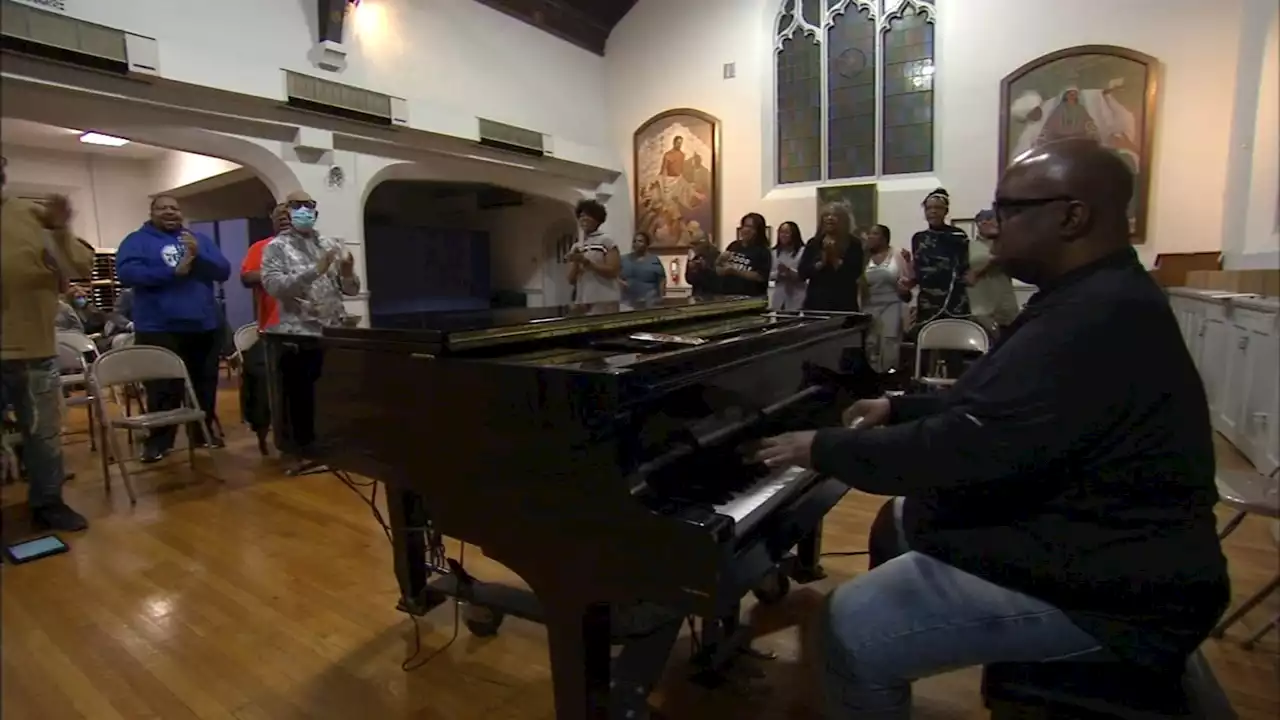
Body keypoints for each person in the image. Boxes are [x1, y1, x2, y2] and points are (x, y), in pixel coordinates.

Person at [753, 139, 1229, 719]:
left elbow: (967, 447)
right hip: (1085, 537)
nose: (991, 228)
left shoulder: (1098, 317)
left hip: (1115, 591)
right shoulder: (1087, 297)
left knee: (847, 626)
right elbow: (1002, 409)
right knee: (901, 518)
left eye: (1006, 211)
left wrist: (823, 446)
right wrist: (900, 410)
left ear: (1072, 216)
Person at [0, 155, 95, 530]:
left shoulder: (31, 215)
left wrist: (60, 230)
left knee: (43, 434)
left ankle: (48, 502)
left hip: (32, 348)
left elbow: (82, 268)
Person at [117, 195, 232, 462]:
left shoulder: (198, 239)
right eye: (163, 208)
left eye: (174, 208)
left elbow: (223, 270)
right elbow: (127, 274)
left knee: (204, 384)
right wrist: (171, 273)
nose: (170, 212)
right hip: (159, 327)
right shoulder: (137, 240)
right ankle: (159, 441)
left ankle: (201, 433)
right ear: (152, 212)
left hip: (203, 326)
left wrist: (198, 254)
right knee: (162, 388)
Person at [261, 190, 361, 471]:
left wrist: (349, 272)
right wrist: (314, 270)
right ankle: (301, 449)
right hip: (298, 332)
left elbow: (351, 290)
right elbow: (274, 286)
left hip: (333, 330)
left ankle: (330, 444)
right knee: (301, 396)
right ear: (287, 211)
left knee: (333, 391)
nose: (303, 210)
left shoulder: (329, 244)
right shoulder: (276, 247)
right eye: (296, 206)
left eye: (309, 205)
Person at [906, 188, 970, 333]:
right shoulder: (919, 238)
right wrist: (908, 282)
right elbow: (918, 270)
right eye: (929, 208)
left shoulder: (957, 236)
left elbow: (965, 267)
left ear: (946, 211)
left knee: (953, 345)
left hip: (953, 302)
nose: (933, 211)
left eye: (938, 208)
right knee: (926, 344)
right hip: (927, 303)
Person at [862, 224, 913, 372]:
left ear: (885, 238)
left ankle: (890, 378)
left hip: (892, 305)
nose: (870, 237)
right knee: (870, 344)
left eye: (875, 234)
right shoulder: (865, 258)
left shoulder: (897, 255)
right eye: (869, 234)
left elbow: (908, 282)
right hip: (869, 305)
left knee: (889, 343)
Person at [799, 204, 865, 312]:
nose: (830, 218)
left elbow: (854, 273)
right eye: (826, 215)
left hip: (843, 304)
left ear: (843, 220)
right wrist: (821, 263)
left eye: (835, 215)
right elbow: (802, 273)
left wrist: (834, 258)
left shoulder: (853, 243)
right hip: (816, 304)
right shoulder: (814, 243)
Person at [967, 208, 1021, 335]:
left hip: (1007, 310)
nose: (997, 224)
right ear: (981, 224)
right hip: (982, 312)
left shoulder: (1006, 245)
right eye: (993, 221)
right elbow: (977, 263)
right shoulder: (970, 246)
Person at [566, 199, 621, 309]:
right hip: (583, 298)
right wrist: (576, 261)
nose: (584, 219)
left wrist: (587, 263)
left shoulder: (606, 241)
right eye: (581, 216)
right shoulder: (577, 246)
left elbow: (613, 271)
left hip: (605, 298)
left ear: (598, 219)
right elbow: (570, 279)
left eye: (588, 215)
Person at [241, 203, 288, 330]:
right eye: (278, 215)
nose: (283, 218)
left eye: (287, 214)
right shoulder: (260, 247)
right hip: (273, 326)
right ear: (272, 219)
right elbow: (247, 277)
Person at [715, 213, 772, 297]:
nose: (746, 230)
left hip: (752, 299)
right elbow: (718, 270)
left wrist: (735, 272)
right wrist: (719, 260)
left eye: (751, 227)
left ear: (758, 231)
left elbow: (761, 277)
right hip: (729, 296)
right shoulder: (734, 245)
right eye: (745, 226)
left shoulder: (763, 251)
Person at [619, 231, 667, 306]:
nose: (636, 243)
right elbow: (614, 275)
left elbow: (661, 280)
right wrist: (621, 283)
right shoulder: (624, 259)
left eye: (640, 241)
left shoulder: (654, 260)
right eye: (634, 241)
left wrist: (661, 296)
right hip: (628, 301)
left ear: (647, 244)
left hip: (650, 300)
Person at [769, 221, 806, 311]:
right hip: (779, 297)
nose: (783, 235)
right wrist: (779, 273)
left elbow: (804, 274)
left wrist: (790, 272)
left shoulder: (803, 251)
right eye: (781, 232)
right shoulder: (774, 252)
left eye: (787, 232)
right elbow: (769, 274)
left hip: (797, 296)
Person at [685, 235, 720, 299]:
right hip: (697, 294)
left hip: (713, 295)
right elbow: (689, 279)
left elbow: (717, 279)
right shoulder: (694, 257)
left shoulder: (715, 255)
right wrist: (692, 269)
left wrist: (705, 268)